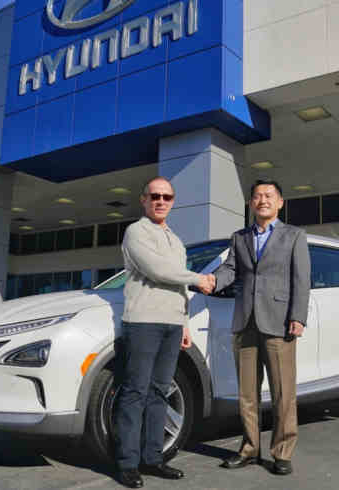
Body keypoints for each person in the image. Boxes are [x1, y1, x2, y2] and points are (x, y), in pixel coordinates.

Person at [113, 176, 215, 489]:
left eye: (167, 197)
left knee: (160, 391)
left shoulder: (176, 240)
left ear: (172, 202)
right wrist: (199, 278)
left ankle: (153, 459)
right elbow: (157, 270)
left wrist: (183, 323)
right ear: (143, 199)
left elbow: (177, 287)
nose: (160, 201)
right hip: (143, 322)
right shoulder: (136, 232)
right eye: (155, 196)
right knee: (135, 391)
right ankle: (127, 464)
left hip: (171, 325)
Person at [208, 179, 310, 476]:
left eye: (268, 195)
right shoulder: (239, 237)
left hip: (279, 322)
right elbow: (230, 269)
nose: (262, 200)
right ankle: (250, 448)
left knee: (282, 392)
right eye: (257, 196)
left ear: (280, 202)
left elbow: (301, 280)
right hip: (245, 321)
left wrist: (298, 316)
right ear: (251, 204)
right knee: (247, 394)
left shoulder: (294, 236)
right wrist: (213, 281)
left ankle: (282, 451)